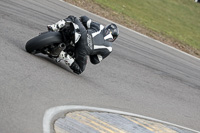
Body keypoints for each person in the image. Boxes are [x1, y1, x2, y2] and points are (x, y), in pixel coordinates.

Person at [47, 15, 119, 74]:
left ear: (107, 27)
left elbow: (86, 20)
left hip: (83, 34)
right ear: (114, 38)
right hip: (84, 49)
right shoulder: (109, 48)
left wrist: (82, 18)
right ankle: (63, 55)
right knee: (80, 70)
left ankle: (53, 27)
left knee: (73, 18)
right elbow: (95, 60)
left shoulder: (101, 27)